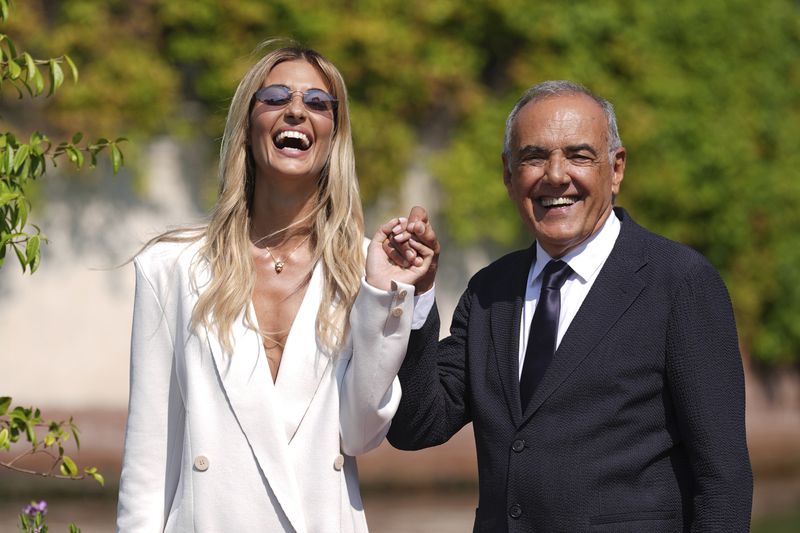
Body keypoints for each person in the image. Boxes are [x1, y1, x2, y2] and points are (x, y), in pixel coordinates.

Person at [386, 80, 753, 532]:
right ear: (508, 172)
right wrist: (418, 294)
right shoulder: (489, 292)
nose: (555, 175)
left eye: (579, 155)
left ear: (615, 169)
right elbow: (417, 425)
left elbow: (723, 481)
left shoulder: (680, 283)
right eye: (534, 157)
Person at [116, 44, 435, 533]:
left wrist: (381, 295)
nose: (295, 111)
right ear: (248, 123)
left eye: (317, 103)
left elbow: (361, 433)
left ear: (334, 133)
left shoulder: (364, 267)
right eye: (275, 97)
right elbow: (148, 458)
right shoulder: (172, 267)